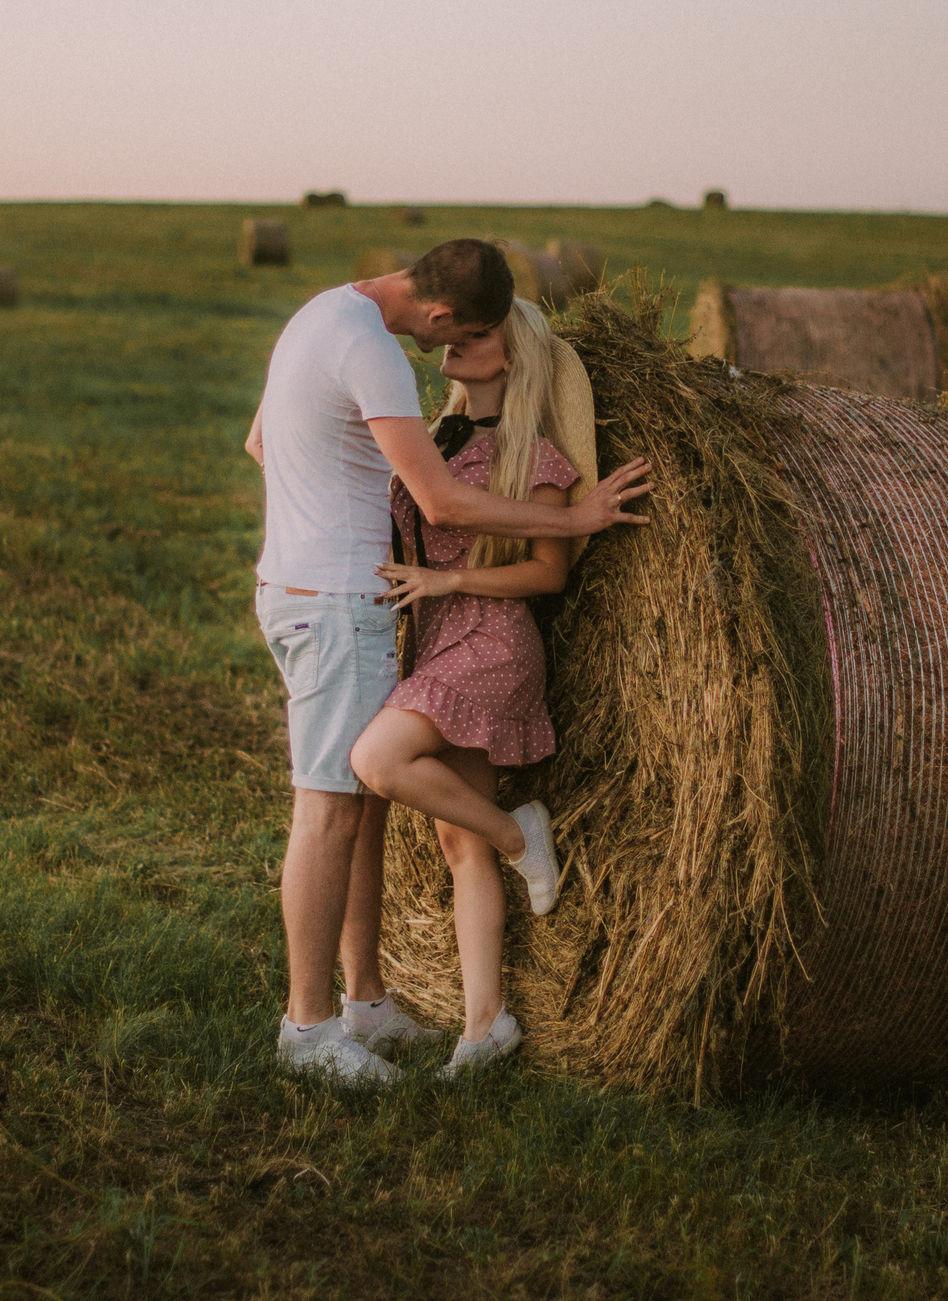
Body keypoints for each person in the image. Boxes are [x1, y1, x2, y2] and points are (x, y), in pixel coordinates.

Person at [244, 239, 652, 1086]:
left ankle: (375, 1003)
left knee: (359, 802)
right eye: (452, 336)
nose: (440, 356)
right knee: (334, 802)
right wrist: (576, 523)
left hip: (333, 598)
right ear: (437, 315)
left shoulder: (318, 316)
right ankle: (310, 1025)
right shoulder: (375, 352)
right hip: (342, 602)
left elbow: (261, 442)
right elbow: (435, 498)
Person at [351, 296, 583, 1078]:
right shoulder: (432, 438)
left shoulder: (539, 459)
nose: (452, 341)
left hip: (492, 640)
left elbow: (548, 572)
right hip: (436, 640)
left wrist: (446, 575)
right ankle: (486, 1026)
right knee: (457, 836)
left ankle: (520, 832)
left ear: (512, 356)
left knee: (379, 761)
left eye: (477, 333)